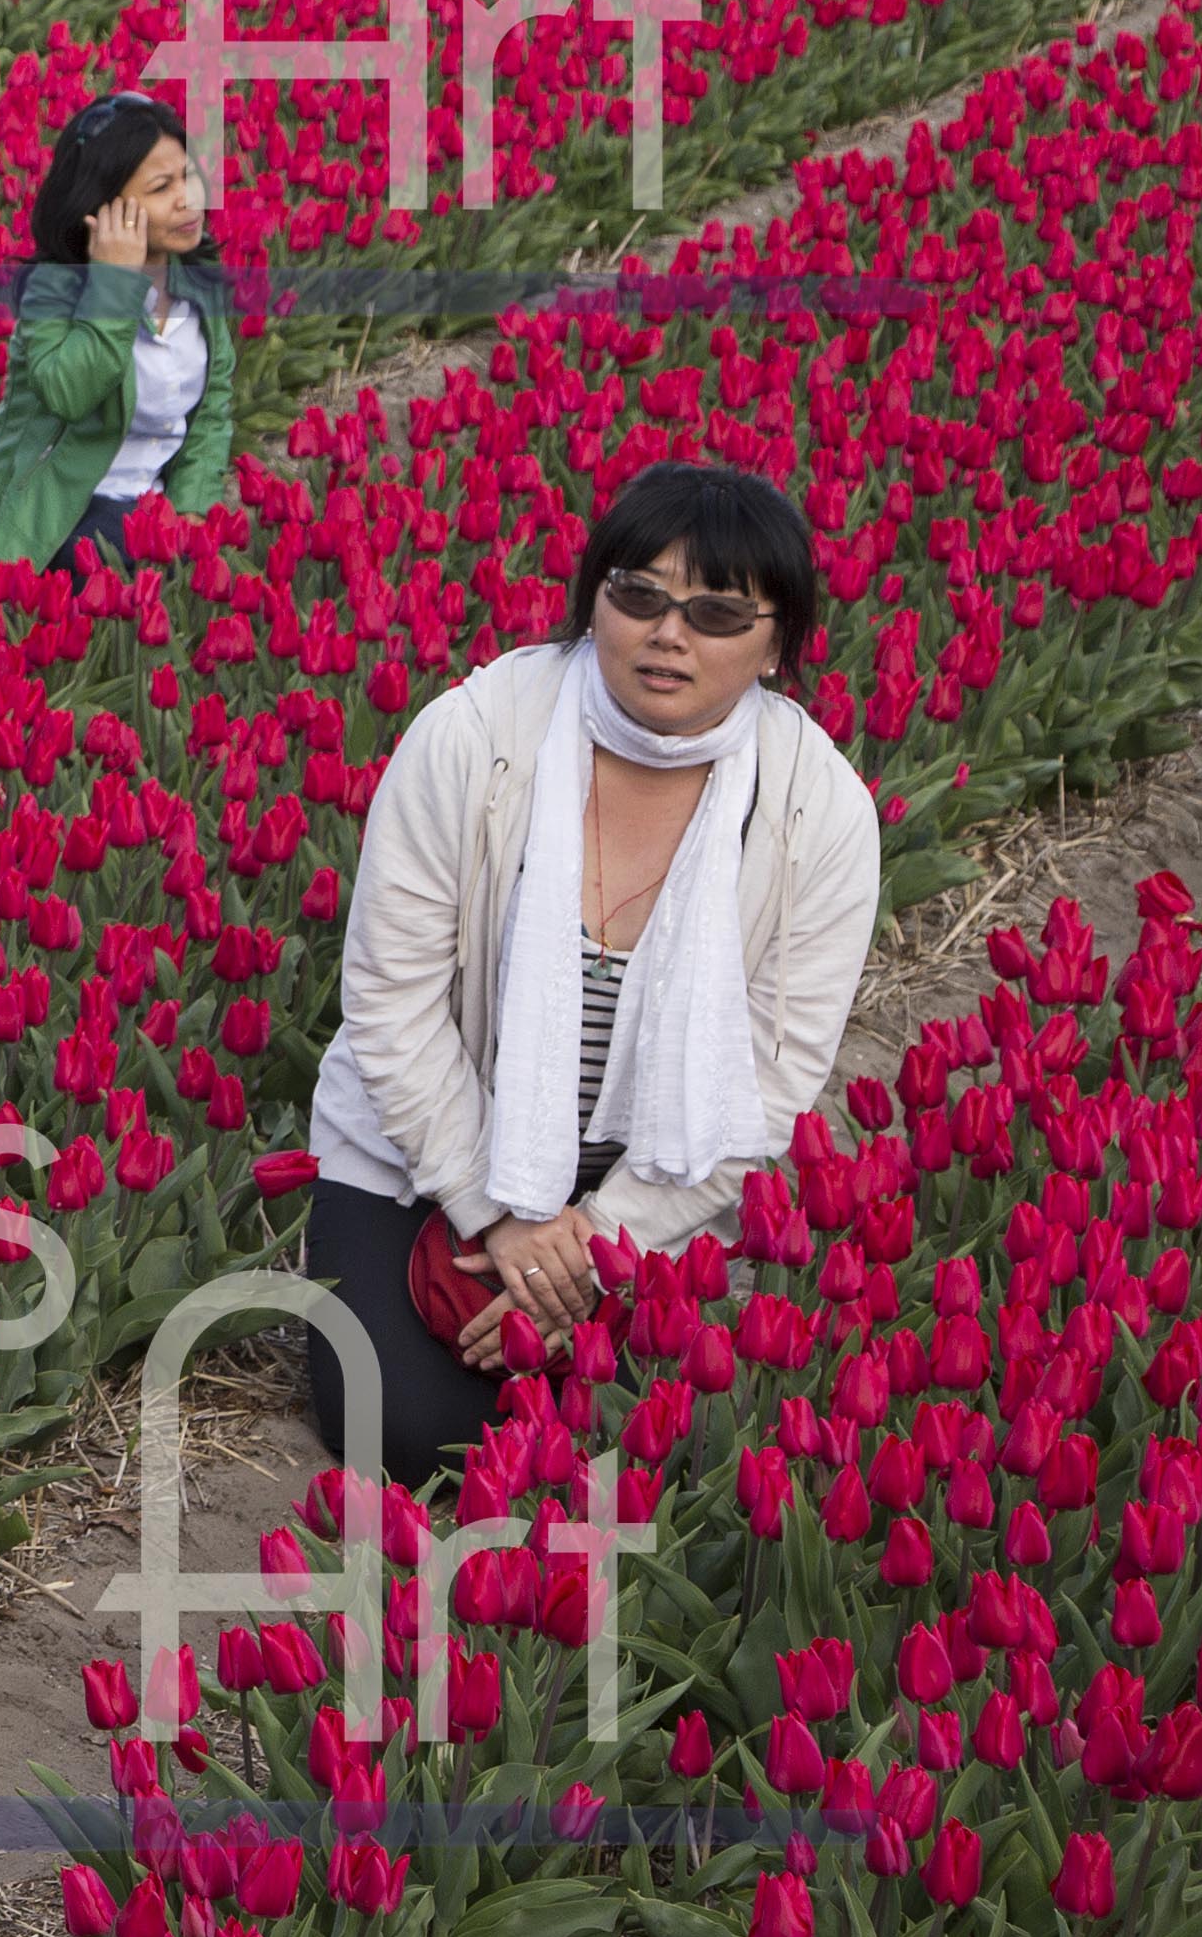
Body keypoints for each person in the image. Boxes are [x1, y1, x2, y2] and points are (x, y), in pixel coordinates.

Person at [297, 463, 878, 1485]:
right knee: (405, 1428)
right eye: (639, 595)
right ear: (593, 598)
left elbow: (769, 1083)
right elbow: (392, 1008)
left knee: (678, 1439)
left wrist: (594, 1247)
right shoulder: (476, 738)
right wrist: (503, 1216)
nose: (669, 633)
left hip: (651, 1175)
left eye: (716, 613)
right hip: (436, 1144)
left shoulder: (813, 812)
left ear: (778, 644)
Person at [0, 91, 236, 571]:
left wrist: (192, 506)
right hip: (56, 511)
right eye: (160, 187)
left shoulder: (198, 290)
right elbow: (71, 394)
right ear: (104, 209)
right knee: (145, 571)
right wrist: (114, 286)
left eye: (189, 175)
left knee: (220, 564)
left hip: (146, 503)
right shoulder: (53, 294)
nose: (188, 197)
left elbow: (212, 413)